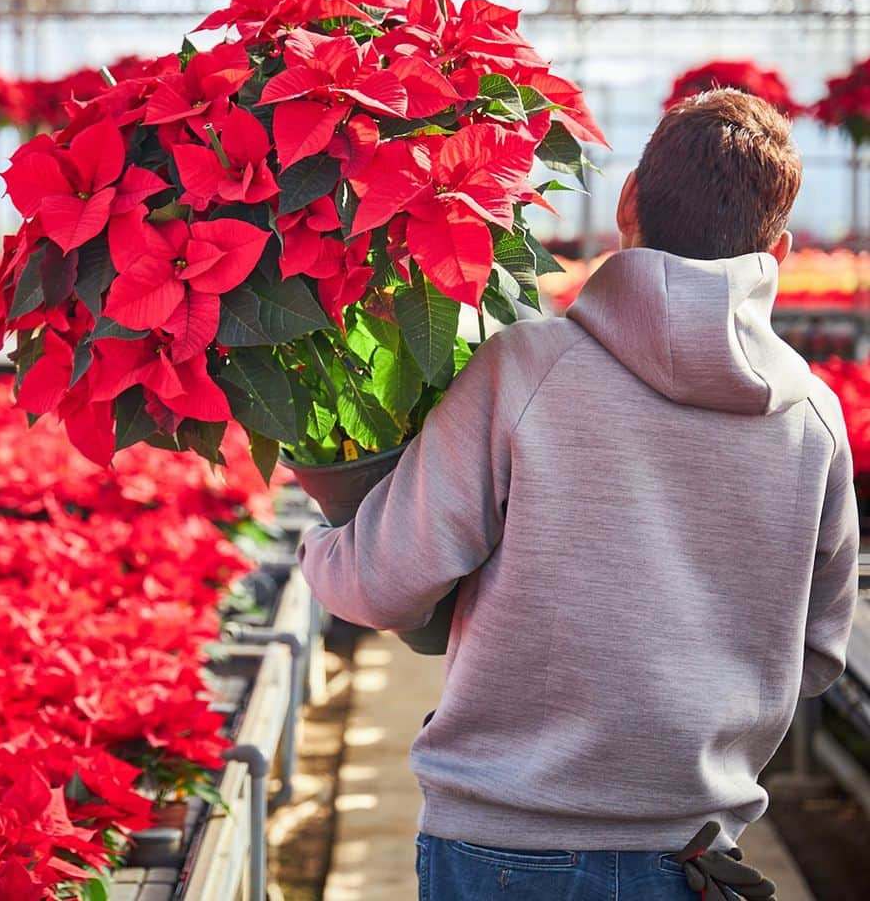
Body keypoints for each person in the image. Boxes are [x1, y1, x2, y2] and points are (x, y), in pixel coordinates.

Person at [297, 89, 860, 900]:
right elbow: (815, 655)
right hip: (693, 857)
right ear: (776, 248)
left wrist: (322, 541)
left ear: (627, 198)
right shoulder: (814, 418)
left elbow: (382, 582)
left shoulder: (528, 369)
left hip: (501, 848)